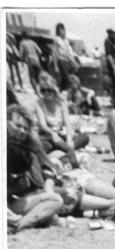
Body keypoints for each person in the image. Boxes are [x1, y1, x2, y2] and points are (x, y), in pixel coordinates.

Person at [6, 104, 64, 232]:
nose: (21, 131)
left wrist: (47, 188)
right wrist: (16, 187)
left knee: (56, 199)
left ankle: (18, 225)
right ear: (6, 122)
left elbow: (48, 170)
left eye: (25, 129)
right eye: (18, 126)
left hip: (18, 202)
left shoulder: (29, 149)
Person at [34, 72, 89, 169]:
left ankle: (65, 153)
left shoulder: (61, 103)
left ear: (54, 91)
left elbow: (67, 123)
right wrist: (53, 134)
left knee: (85, 137)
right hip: (47, 135)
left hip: (60, 136)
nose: (46, 93)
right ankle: (72, 157)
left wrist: (69, 138)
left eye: (49, 90)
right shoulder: (39, 103)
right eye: (44, 91)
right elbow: (43, 125)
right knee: (41, 147)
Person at [51, 22, 79, 90]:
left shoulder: (66, 40)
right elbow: (55, 53)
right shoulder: (57, 39)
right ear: (58, 31)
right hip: (61, 61)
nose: (62, 31)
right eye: (60, 30)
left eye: (63, 29)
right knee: (68, 80)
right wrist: (56, 66)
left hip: (67, 61)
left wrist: (74, 62)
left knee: (63, 81)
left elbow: (69, 53)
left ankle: (58, 93)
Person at [18, 29, 43, 93]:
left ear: (22, 36)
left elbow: (21, 54)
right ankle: (41, 89)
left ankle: (36, 91)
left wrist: (22, 62)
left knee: (32, 77)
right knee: (39, 76)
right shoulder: (33, 42)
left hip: (29, 61)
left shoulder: (22, 42)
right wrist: (39, 58)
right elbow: (40, 52)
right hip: (36, 60)